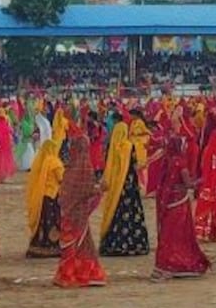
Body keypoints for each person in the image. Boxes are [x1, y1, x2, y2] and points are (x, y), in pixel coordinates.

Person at [153, 136, 210, 280]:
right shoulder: (181, 163)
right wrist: (201, 180)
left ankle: (163, 265)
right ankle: (177, 263)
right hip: (180, 203)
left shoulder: (167, 161)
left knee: (168, 234)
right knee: (180, 234)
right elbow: (188, 184)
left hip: (168, 202)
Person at [53, 136, 107, 288]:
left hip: (67, 212)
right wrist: (101, 188)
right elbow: (87, 190)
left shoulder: (70, 168)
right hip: (79, 214)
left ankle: (67, 274)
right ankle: (80, 274)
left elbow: (66, 190)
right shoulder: (84, 168)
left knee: (73, 243)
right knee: (81, 244)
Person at [99, 122, 150, 257]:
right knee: (132, 212)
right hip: (129, 186)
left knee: (116, 211)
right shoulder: (129, 146)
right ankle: (134, 243)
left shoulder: (112, 147)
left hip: (116, 186)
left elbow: (109, 166)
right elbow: (135, 166)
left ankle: (114, 244)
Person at [25, 140, 65, 258]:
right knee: (52, 221)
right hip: (52, 195)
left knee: (42, 221)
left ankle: (38, 246)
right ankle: (51, 246)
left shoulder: (40, 161)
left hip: (42, 196)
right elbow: (61, 178)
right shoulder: (54, 162)